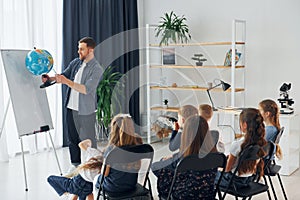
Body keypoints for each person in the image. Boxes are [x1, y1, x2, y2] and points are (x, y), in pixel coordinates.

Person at [42, 37, 103, 168]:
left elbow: (86, 89)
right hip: (71, 108)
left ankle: (93, 167)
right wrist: (50, 78)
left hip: (86, 111)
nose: (78, 51)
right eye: (78, 48)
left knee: (89, 141)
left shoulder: (97, 69)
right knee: (72, 139)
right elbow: (63, 75)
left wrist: (66, 81)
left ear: (90, 50)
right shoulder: (76, 62)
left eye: (82, 49)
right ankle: (75, 166)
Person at [152, 115, 218, 199]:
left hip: (183, 195)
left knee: (163, 170)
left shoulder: (184, 159)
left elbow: (155, 167)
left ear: (187, 134)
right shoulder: (217, 157)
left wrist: (167, 160)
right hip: (207, 195)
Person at [216, 108, 267, 188]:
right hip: (250, 180)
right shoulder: (261, 142)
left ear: (244, 125)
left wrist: (218, 168)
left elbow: (227, 169)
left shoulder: (237, 144)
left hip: (234, 182)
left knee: (210, 175)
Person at [94, 113, 143, 193]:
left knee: (96, 179)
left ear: (114, 130)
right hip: (131, 185)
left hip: (113, 188)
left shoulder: (111, 150)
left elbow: (105, 174)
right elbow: (139, 167)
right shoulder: (138, 147)